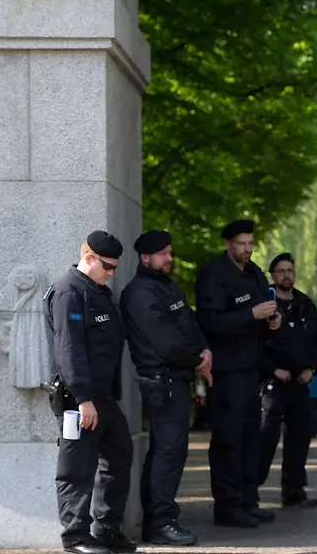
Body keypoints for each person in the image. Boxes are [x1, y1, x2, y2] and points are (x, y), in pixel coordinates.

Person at [44, 231, 135, 554]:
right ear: (89, 258)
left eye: (114, 268)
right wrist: (83, 398)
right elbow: (68, 349)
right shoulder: (69, 291)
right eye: (107, 266)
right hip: (78, 399)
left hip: (102, 398)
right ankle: (75, 537)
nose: (111, 273)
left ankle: (107, 529)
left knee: (119, 455)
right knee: (77, 468)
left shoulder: (97, 291)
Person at [119, 230, 212, 545]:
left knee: (170, 451)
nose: (169, 258)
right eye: (163, 254)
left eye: (170, 252)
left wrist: (204, 349)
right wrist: (197, 361)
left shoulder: (168, 287)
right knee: (168, 452)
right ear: (145, 257)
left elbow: (189, 323)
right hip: (163, 380)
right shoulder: (140, 294)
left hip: (177, 378)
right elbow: (165, 341)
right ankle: (160, 523)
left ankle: (160, 520)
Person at [194, 219, 281, 528]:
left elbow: (263, 313)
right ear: (228, 244)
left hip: (250, 369)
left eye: (250, 244)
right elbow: (209, 323)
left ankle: (248, 501)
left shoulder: (255, 273)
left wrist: (270, 322)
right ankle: (228, 506)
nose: (247, 249)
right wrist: (250, 314)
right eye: (241, 244)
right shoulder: (214, 276)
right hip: (226, 371)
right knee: (228, 440)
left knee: (250, 439)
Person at [257, 252, 317, 508]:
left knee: (299, 438)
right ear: (273, 275)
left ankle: (294, 491)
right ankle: (250, 490)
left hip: (299, 383)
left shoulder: (305, 305)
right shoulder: (264, 305)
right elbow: (254, 345)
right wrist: (273, 369)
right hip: (272, 384)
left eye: (290, 270)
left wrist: (312, 369)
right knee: (264, 438)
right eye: (281, 271)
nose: (287, 275)